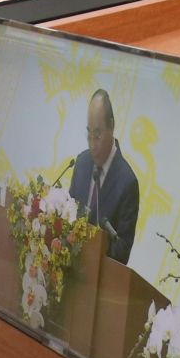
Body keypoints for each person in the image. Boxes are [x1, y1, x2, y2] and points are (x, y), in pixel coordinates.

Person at [67, 89, 140, 263]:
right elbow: (69, 212)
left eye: (98, 135)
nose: (92, 144)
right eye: (89, 134)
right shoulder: (82, 163)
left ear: (112, 126)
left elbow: (122, 253)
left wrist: (92, 244)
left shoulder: (127, 183)